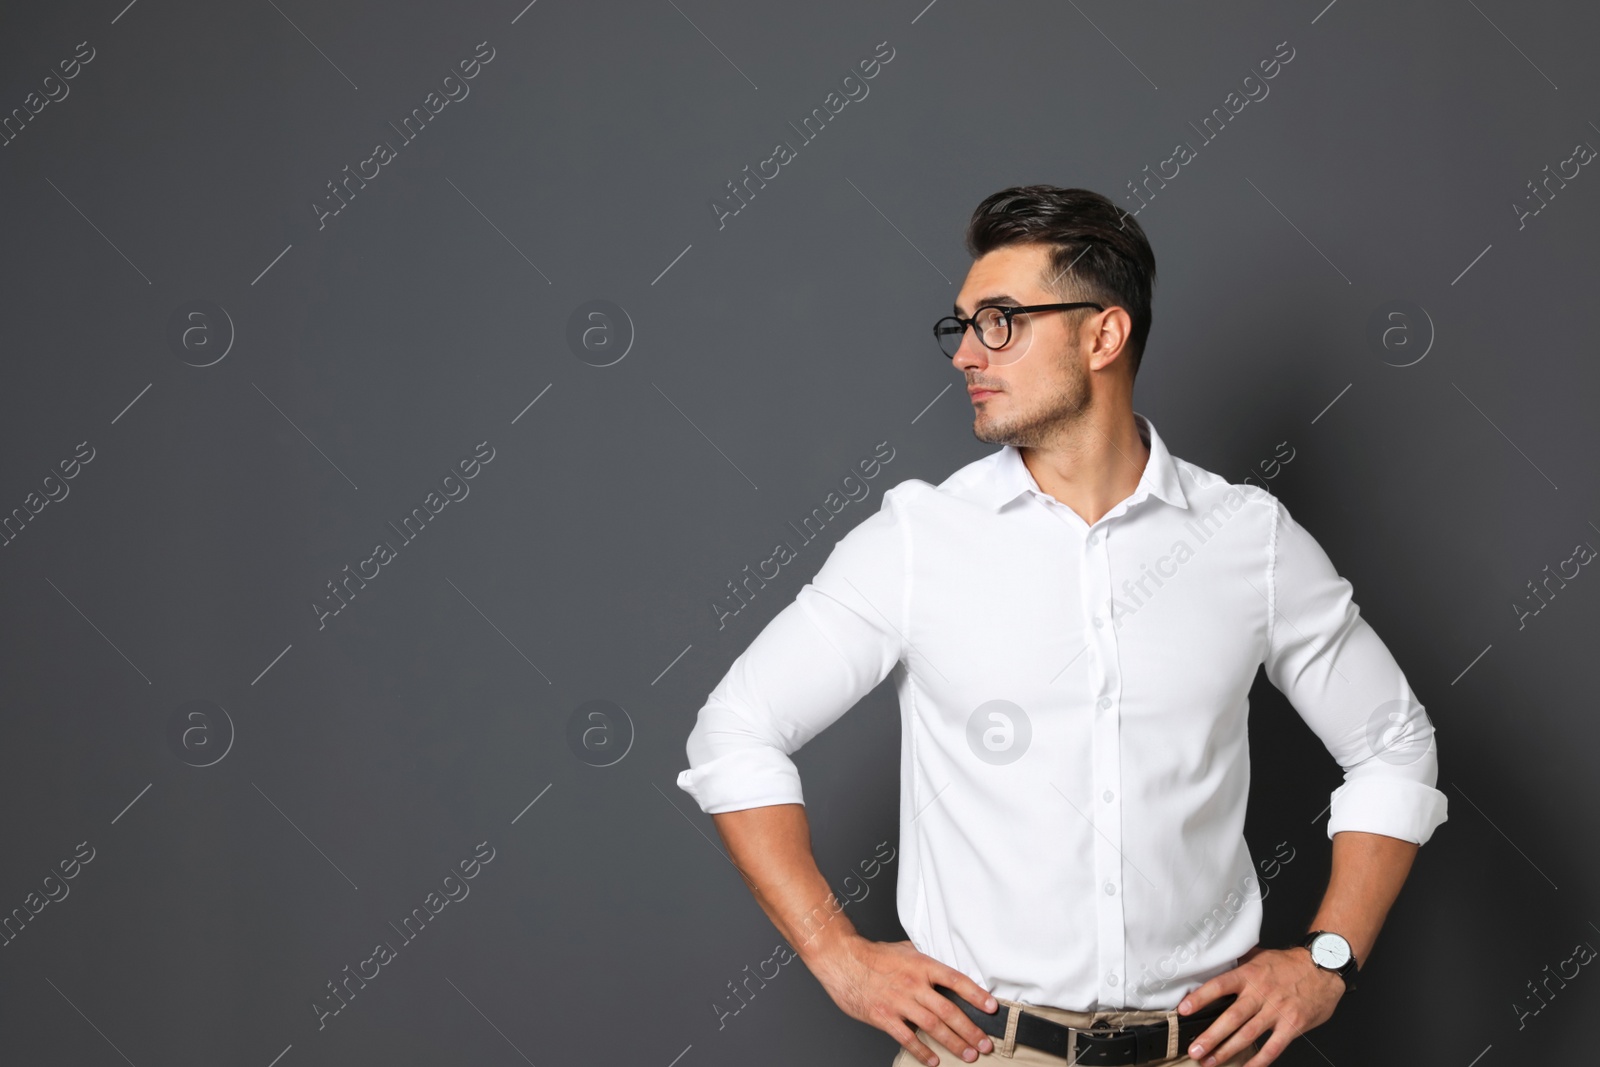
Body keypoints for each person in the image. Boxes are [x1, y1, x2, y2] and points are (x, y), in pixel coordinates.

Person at [676, 185, 1446, 1067]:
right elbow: (733, 732)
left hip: (1201, 1052)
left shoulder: (1248, 539)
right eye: (961, 325)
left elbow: (1393, 741)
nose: (967, 352)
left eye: (1000, 322)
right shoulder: (919, 539)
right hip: (984, 1053)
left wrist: (1327, 962)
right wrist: (836, 955)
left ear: (1103, 335)